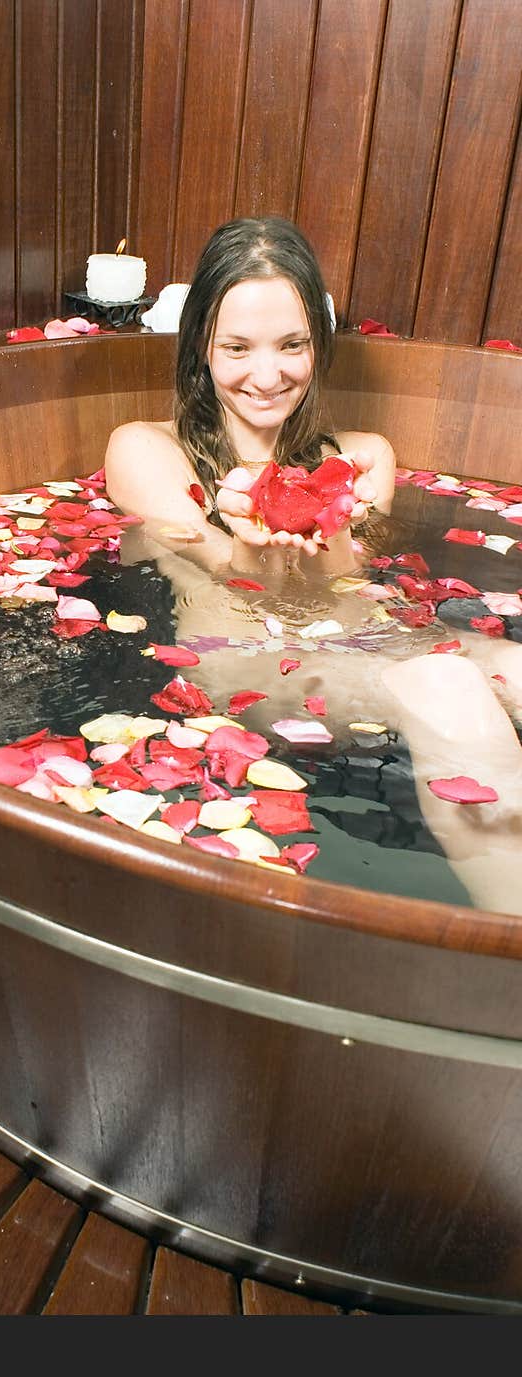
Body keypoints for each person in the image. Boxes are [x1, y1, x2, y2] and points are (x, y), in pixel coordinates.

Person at [104, 217, 522, 914]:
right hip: (247, 652)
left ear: (318, 347)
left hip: (376, 638)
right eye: (237, 347)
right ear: (200, 346)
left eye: (292, 345)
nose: (267, 376)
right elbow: (232, 574)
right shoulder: (147, 450)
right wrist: (243, 537)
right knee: (446, 684)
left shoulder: (364, 456)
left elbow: (343, 580)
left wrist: (324, 524)